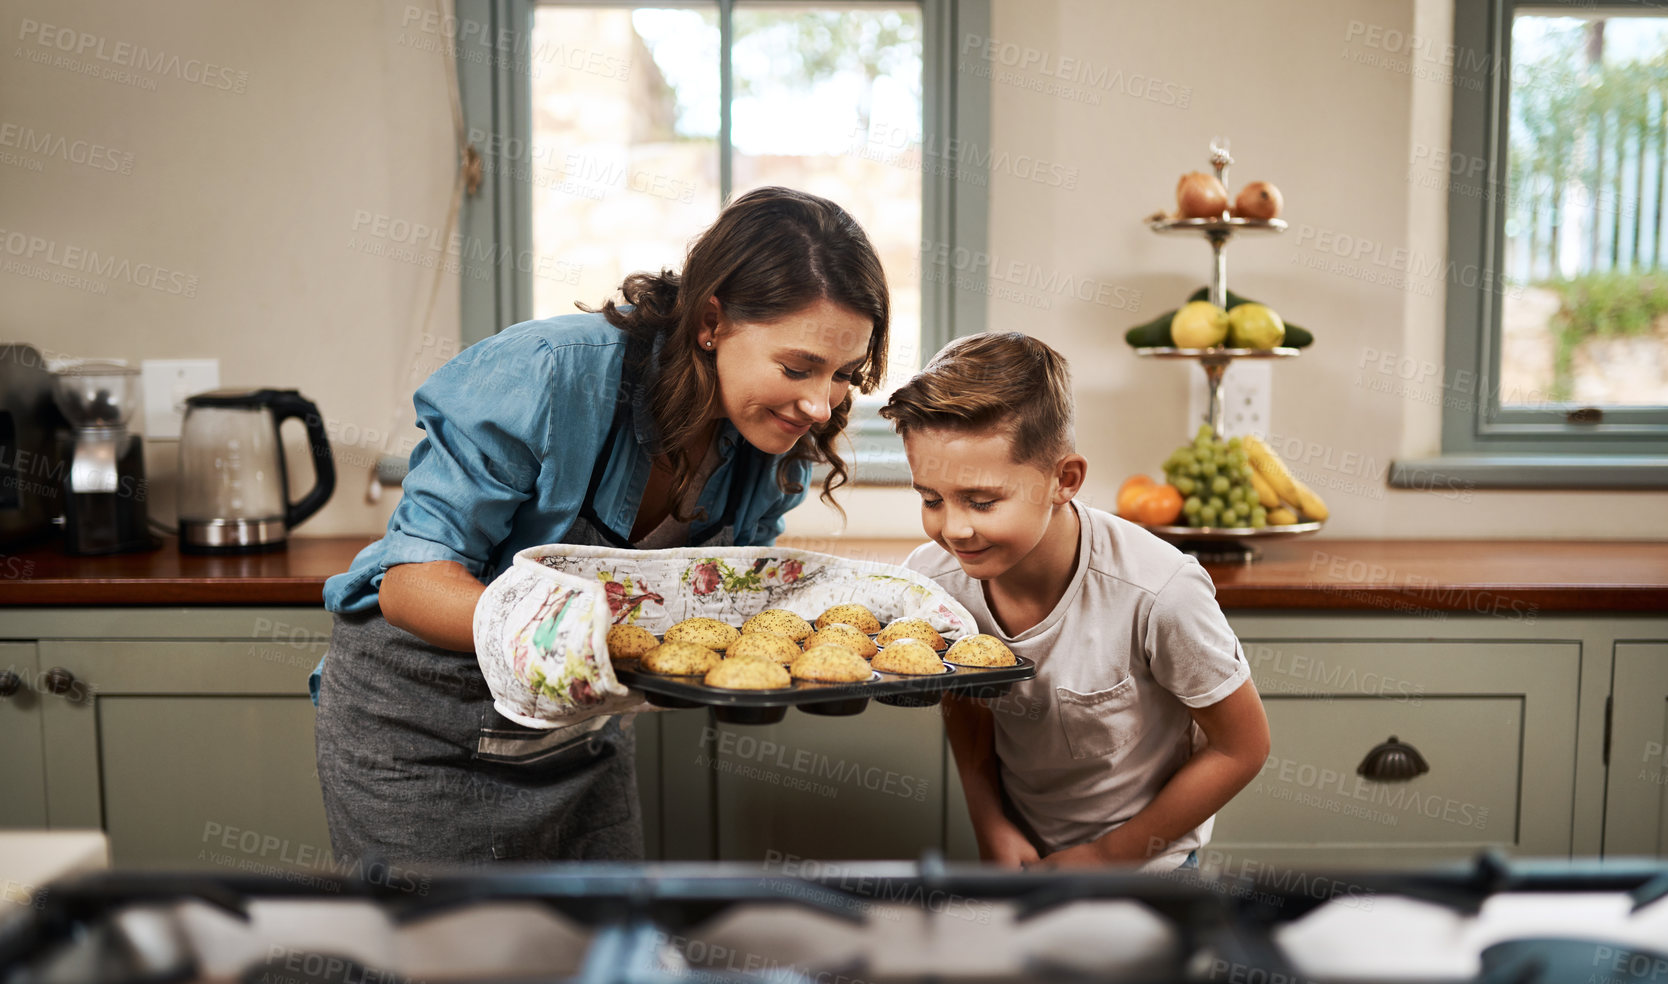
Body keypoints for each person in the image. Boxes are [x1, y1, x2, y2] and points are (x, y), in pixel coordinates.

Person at [314, 187, 891, 866]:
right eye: (797, 367)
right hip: (424, 730)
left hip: (582, 732)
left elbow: (710, 604)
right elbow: (411, 585)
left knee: (604, 960)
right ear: (712, 320)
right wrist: (586, 642)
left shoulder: (769, 442)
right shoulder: (549, 373)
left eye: (843, 376)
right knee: (444, 967)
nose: (821, 406)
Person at [881, 332, 1270, 871]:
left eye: (983, 501)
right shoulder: (934, 582)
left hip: (1147, 870)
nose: (955, 529)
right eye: (930, 499)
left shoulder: (1161, 591)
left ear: (1064, 479)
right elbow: (966, 702)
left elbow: (1242, 748)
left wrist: (1107, 856)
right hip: (1022, 856)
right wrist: (989, 822)